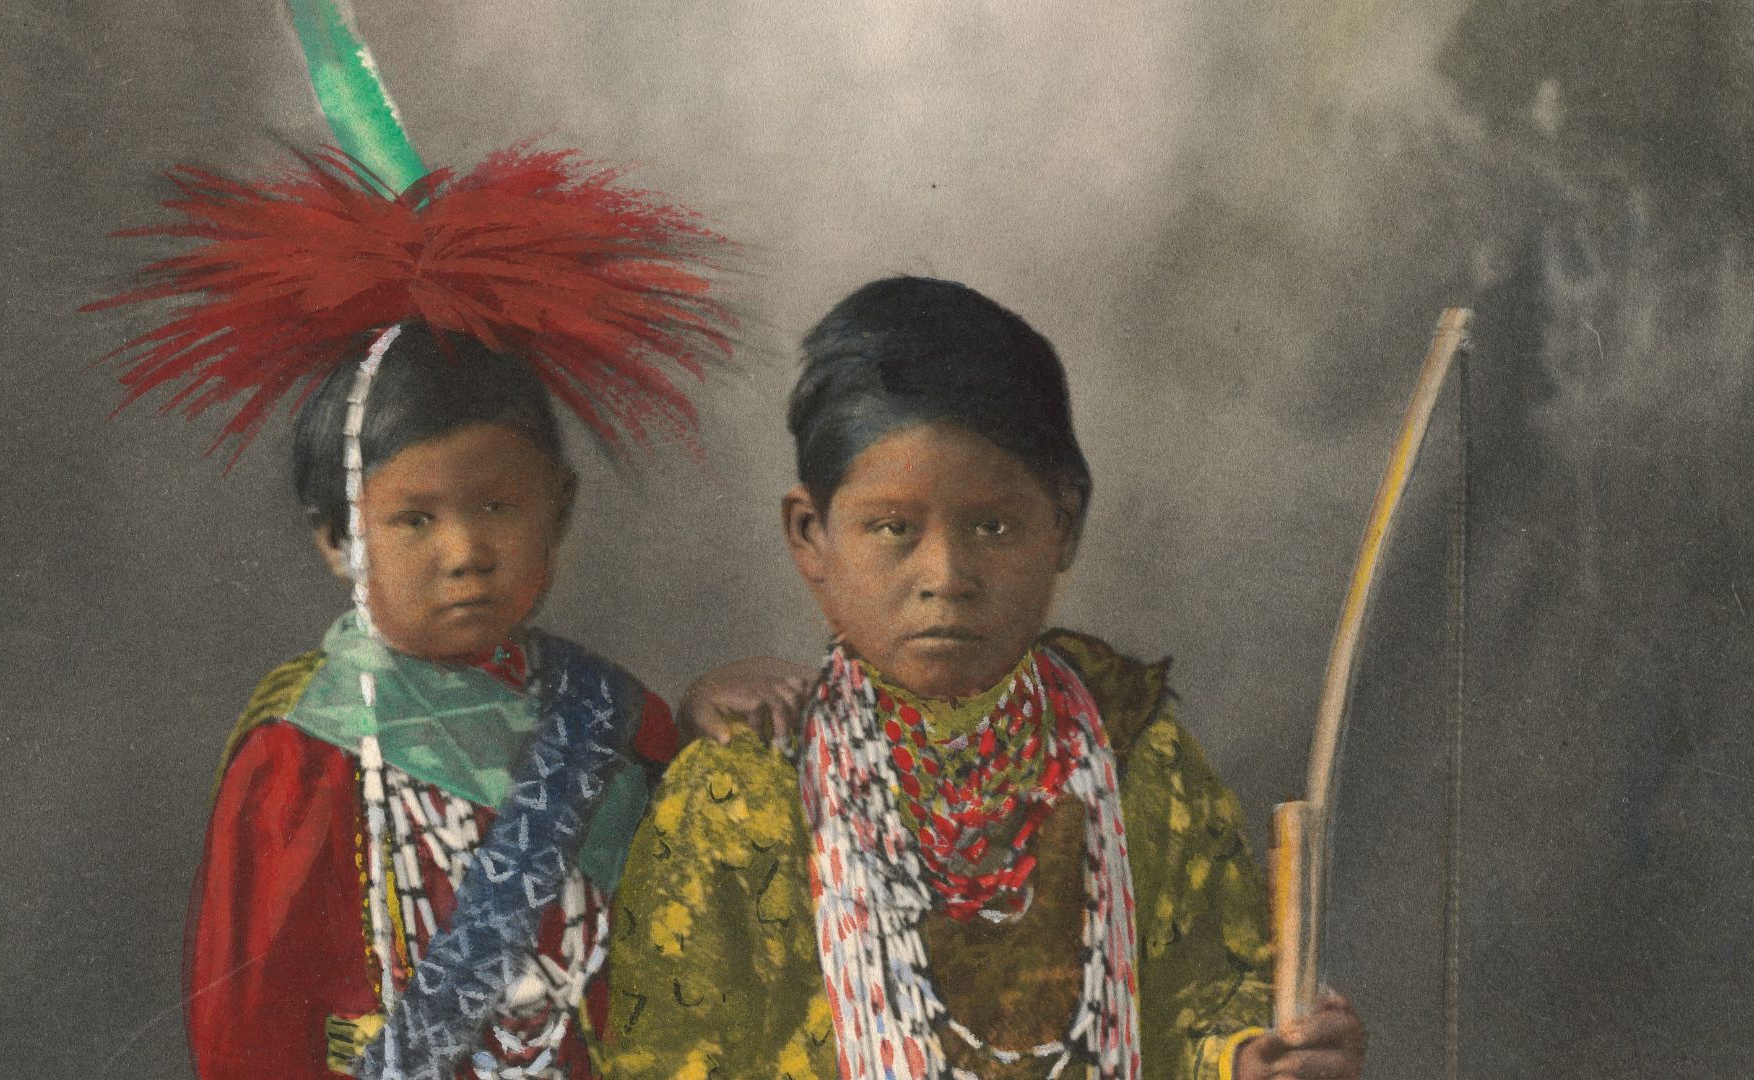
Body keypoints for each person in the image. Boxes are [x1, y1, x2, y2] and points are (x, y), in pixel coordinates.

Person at [85, 4, 733, 1078]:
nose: (464, 550)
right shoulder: (302, 763)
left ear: (559, 510)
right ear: (338, 542)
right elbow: (249, 1033)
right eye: (414, 519)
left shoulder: (624, 726)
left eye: (498, 508)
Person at [603, 277, 1365, 1080]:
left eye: (993, 526)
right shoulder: (742, 792)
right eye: (894, 528)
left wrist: (1254, 1055)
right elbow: (672, 1058)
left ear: (1062, 527)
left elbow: (1207, 994)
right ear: (810, 536)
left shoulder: (1141, 762)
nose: (947, 574)